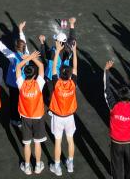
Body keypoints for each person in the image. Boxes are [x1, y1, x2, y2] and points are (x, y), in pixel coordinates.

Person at [103, 59, 130, 179]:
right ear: (129, 96)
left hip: (116, 143)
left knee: (116, 169)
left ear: (119, 95)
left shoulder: (113, 107)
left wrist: (106, 71)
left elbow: (107, 90)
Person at [47, 40, 79, 176]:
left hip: (58, 117)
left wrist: (57, 51)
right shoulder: (73, 84)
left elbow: (53, 68)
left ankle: (57, 167)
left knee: (58, 142)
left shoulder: (56, 83)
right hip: (69, 117)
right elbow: (75, 67)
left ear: (60, 74)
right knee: (70, 140)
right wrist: (74, 51)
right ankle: (70, 164)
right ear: (70, 75)